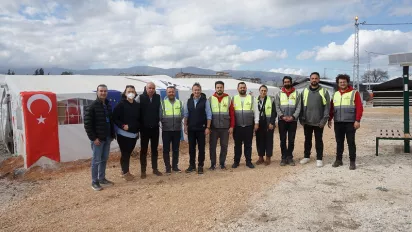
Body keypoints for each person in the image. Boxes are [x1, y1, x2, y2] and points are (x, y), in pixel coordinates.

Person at [328, 74, 363, 170]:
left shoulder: (354, 93)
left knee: (351, 142)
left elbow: (359, 107)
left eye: (344, 82)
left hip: (350, 122)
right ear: (338, 83)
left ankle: (352, 162)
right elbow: (332, 108)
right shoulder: (335, 94)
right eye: (340, 82)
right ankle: (338, 160)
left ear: (347, 82)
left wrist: (357, 120)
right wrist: (330, 119)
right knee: (339, 142)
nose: (342, 83)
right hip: (338, 122)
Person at [84, 84, 116, 191]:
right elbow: (88, 124)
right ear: (97, 92)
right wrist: (94, 138)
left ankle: (102, 178)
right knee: (96, 160)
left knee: (104, 159)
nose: (103, 93)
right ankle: (94, 181)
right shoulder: (92, 106)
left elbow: (110, 121)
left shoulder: (107, 105)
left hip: (107, 138)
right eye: (101, 91)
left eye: (105, 91)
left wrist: (112, 135)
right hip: (98, 139)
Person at [299, 72, 330, 167]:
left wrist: (323, 121)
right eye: (312, 78)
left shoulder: (324, 91)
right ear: (310, 79)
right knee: (307, 140)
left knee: (319, 140)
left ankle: (319, 158)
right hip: (307, 121)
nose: (314, 80)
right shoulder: (304, 91)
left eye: (316, 78)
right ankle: (306, 156)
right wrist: (301, 119)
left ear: (319, 79)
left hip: (319, 122)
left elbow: (327, 107)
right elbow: (300, 106)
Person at [112, 85, 140, 181]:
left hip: (134, 134)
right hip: (123, 134)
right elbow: (115, 118)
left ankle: (123, 170)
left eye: (132, 91)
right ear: (125, 93)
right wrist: (123, 126)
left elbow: (139, 119)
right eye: (129, 91)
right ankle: (125, 172)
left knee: (128, 153)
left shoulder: (137, 105)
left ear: (135, 93)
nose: (131, 93)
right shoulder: (121, 105)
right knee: (125, 153)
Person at [184, 83, 211, 175]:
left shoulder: (205, 101)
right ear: (192, 91)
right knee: (191, 148)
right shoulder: (189, 101)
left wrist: (208, 127)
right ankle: (192, 165)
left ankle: (200, 166)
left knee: (201, 148)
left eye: (198, 90)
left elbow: (209, 115)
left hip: (201, 129)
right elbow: (186, 115)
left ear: (201, 90)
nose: (196, 91)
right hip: (191, 129)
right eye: (195, 90)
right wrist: (185, 126)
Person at [136, 82, 162, 178]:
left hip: (155, 128)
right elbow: (136, 111)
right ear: (146, 88)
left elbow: (160, 110)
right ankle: (143, 171)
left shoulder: (158, 97)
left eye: (153, 88)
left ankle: (155, 169)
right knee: (144, 150)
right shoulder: (140, 98)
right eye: (149, 88)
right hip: (144, 129)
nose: (151, 90)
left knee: (154, 150)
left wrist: (158, 120)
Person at [275, 76, 301, 166]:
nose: (286, 83)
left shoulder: (297, 94)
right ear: (283, 83)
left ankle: (290, 157)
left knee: (291, 140)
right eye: (285, 82)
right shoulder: (279, 94)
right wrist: (282, 116)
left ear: (291, 82)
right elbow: (277, 106)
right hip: (282, 121)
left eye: (288, 82)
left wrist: (293, 117)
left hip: (292, 121)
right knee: (282, 140)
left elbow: (299, 107)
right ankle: (283, 157)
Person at [208, 81, 235, 170]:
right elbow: (208, 114)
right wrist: (208, 127)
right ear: (215, 88)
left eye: (221, 87)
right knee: (212, 146)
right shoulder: (210, 99)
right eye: (218, 87)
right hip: (214, 128)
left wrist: (231, 126)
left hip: (225, 128)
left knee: (224, 146)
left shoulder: (228, 98)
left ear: (223, 88)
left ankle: (222, 163)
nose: (219, 89)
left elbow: (232, 113)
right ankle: (213, 164)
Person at [160, 86, 184, 175]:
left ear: (175, 93)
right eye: (169, 92)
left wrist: (177, 122)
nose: (171, 93)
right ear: (167, 93)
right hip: (166, 130)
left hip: (177, 130)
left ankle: (175, 166)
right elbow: (160, 116)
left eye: (173, 92)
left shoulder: (180, 103)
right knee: (166, 150)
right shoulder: (162, 103)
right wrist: (166, 123)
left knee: (176, 149)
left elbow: (182, 114)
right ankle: (167, 167)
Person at [232, 82, 256, 169]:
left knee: (248, 145)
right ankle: (236, 161)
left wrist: (256, 123)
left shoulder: (252, 98)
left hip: (248, 126)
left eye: (244, 87)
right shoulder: (233, 98)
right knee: (237, 145)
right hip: (237, 127)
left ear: (246, 88)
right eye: (241, 88)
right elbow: (231, 113)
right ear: (238, 89)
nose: (242, 89)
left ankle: (248, 161)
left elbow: (255, 112)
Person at [255, 85, 276, 166]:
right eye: (262, 90)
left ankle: (268, 157)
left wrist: (272, 123)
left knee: (269, 140)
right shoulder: (255, 100)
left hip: (268, 123)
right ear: (259, 91)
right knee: (259, 140)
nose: (263, 92)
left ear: (267, 91)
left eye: (265, 91)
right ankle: (260, 157)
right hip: (259, 123)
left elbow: (274, 112)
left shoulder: (271, 99)